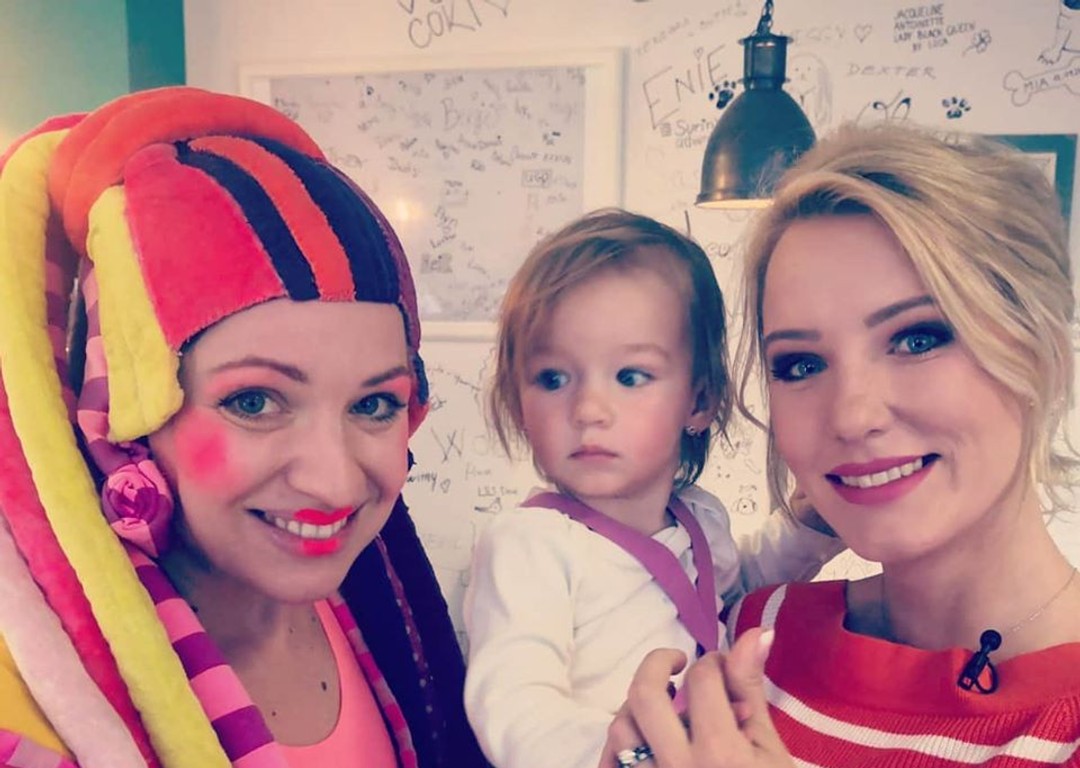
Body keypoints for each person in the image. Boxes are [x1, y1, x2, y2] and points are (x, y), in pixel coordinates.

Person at [0, 86, 488, 768]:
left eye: (374, 404)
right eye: (255, 402)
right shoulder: (26, 704)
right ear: (124, 423)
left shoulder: (386, 612)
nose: (333, 481)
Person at [601, 123, 1080, 767]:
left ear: (1037, 348)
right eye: (801, 364)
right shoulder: (750, 634)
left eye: (917, 338)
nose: (852, 417)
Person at [462, 209, 844, 768]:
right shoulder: (530, 542)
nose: (588, 409)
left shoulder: (699, 518)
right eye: (553, 378)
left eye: (630, 376)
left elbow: (734, 594)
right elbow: (513, 703)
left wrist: (805, 528)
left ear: (699, 401)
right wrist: (617, 755)